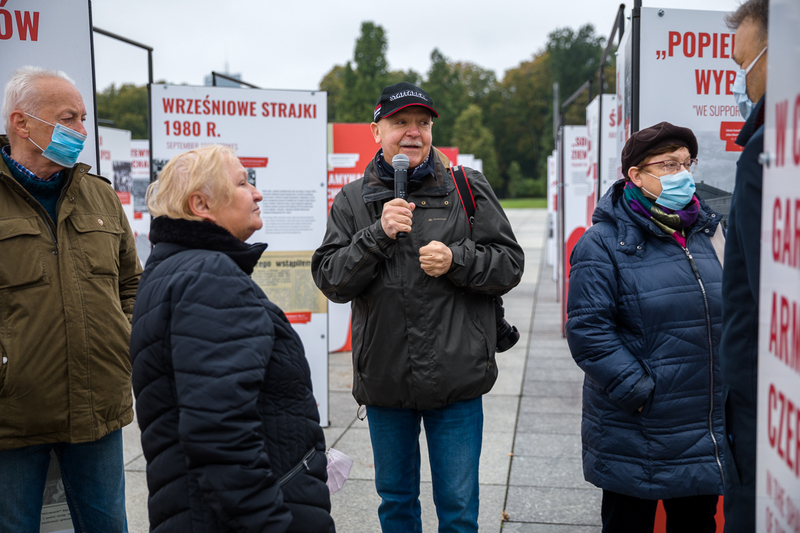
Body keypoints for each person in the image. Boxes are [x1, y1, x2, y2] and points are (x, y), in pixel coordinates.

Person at [311, 82, 524, 532]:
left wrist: (457, 259)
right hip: (386, 380)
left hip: (457, 379)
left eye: (422, 123)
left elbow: (509, 264)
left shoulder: (468, 187)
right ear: (377, 131)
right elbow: (332, 280)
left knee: (459, 507)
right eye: (400, 122)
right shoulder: (352, 201)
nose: (413, 132)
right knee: (396, 503)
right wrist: (377, 235)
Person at [129, 145, 335, 533]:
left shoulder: (174, 269)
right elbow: (219, 430)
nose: (256, 192)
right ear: (201, 204)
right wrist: (269, 523)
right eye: (242, 183)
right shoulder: (209, 276)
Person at [0, 66, 141, 532]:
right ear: (22, 123)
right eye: (69, 118)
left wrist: (124, 341)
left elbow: (130, 284)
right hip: (12, 415)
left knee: (107, 526)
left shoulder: (100, 197)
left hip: (98, 406)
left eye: (82, 118)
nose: (82, 131)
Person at [566, 122, 725, 532]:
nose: (683, 174)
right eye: (669, 164)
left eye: (687, 163)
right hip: (637, 427)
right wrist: (640, 393)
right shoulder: (602, 243)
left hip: (700, 427)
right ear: (635, 175)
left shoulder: (708, 233)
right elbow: (589, 332)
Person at [720, 1, 769, 530]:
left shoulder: (765, 155)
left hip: (760, 401)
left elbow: (759, 290)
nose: (743, 84)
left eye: (743, 67)